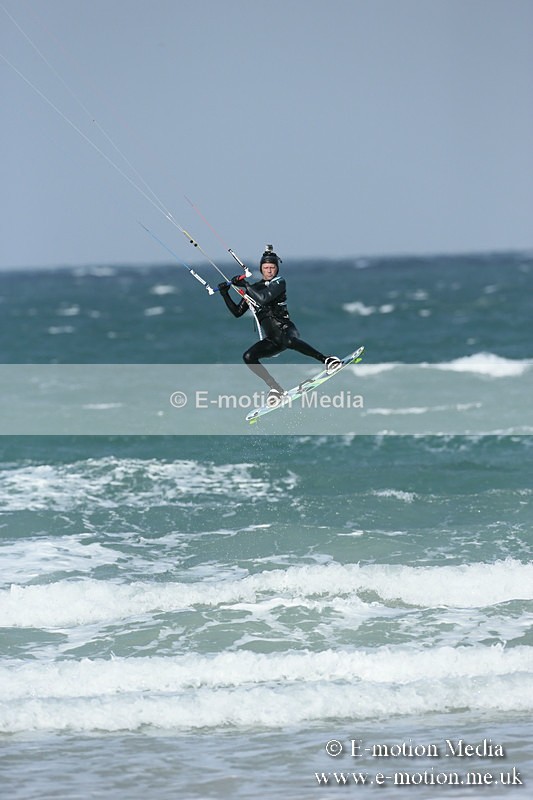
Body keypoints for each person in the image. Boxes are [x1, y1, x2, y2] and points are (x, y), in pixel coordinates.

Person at [218, 245, 342, 406]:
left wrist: (246, 285)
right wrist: (224, 293)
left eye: (272, 267)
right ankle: (275, 388)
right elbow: (237, 312)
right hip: (272, 340)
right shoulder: (254, 288)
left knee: (288, 341)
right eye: (266, 267)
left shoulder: (279, 282)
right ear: (261, 269)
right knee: (248, 357)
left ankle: (327, 360)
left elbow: (263, 298)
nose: (269, 270)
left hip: (286, 330)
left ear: (277, 269)